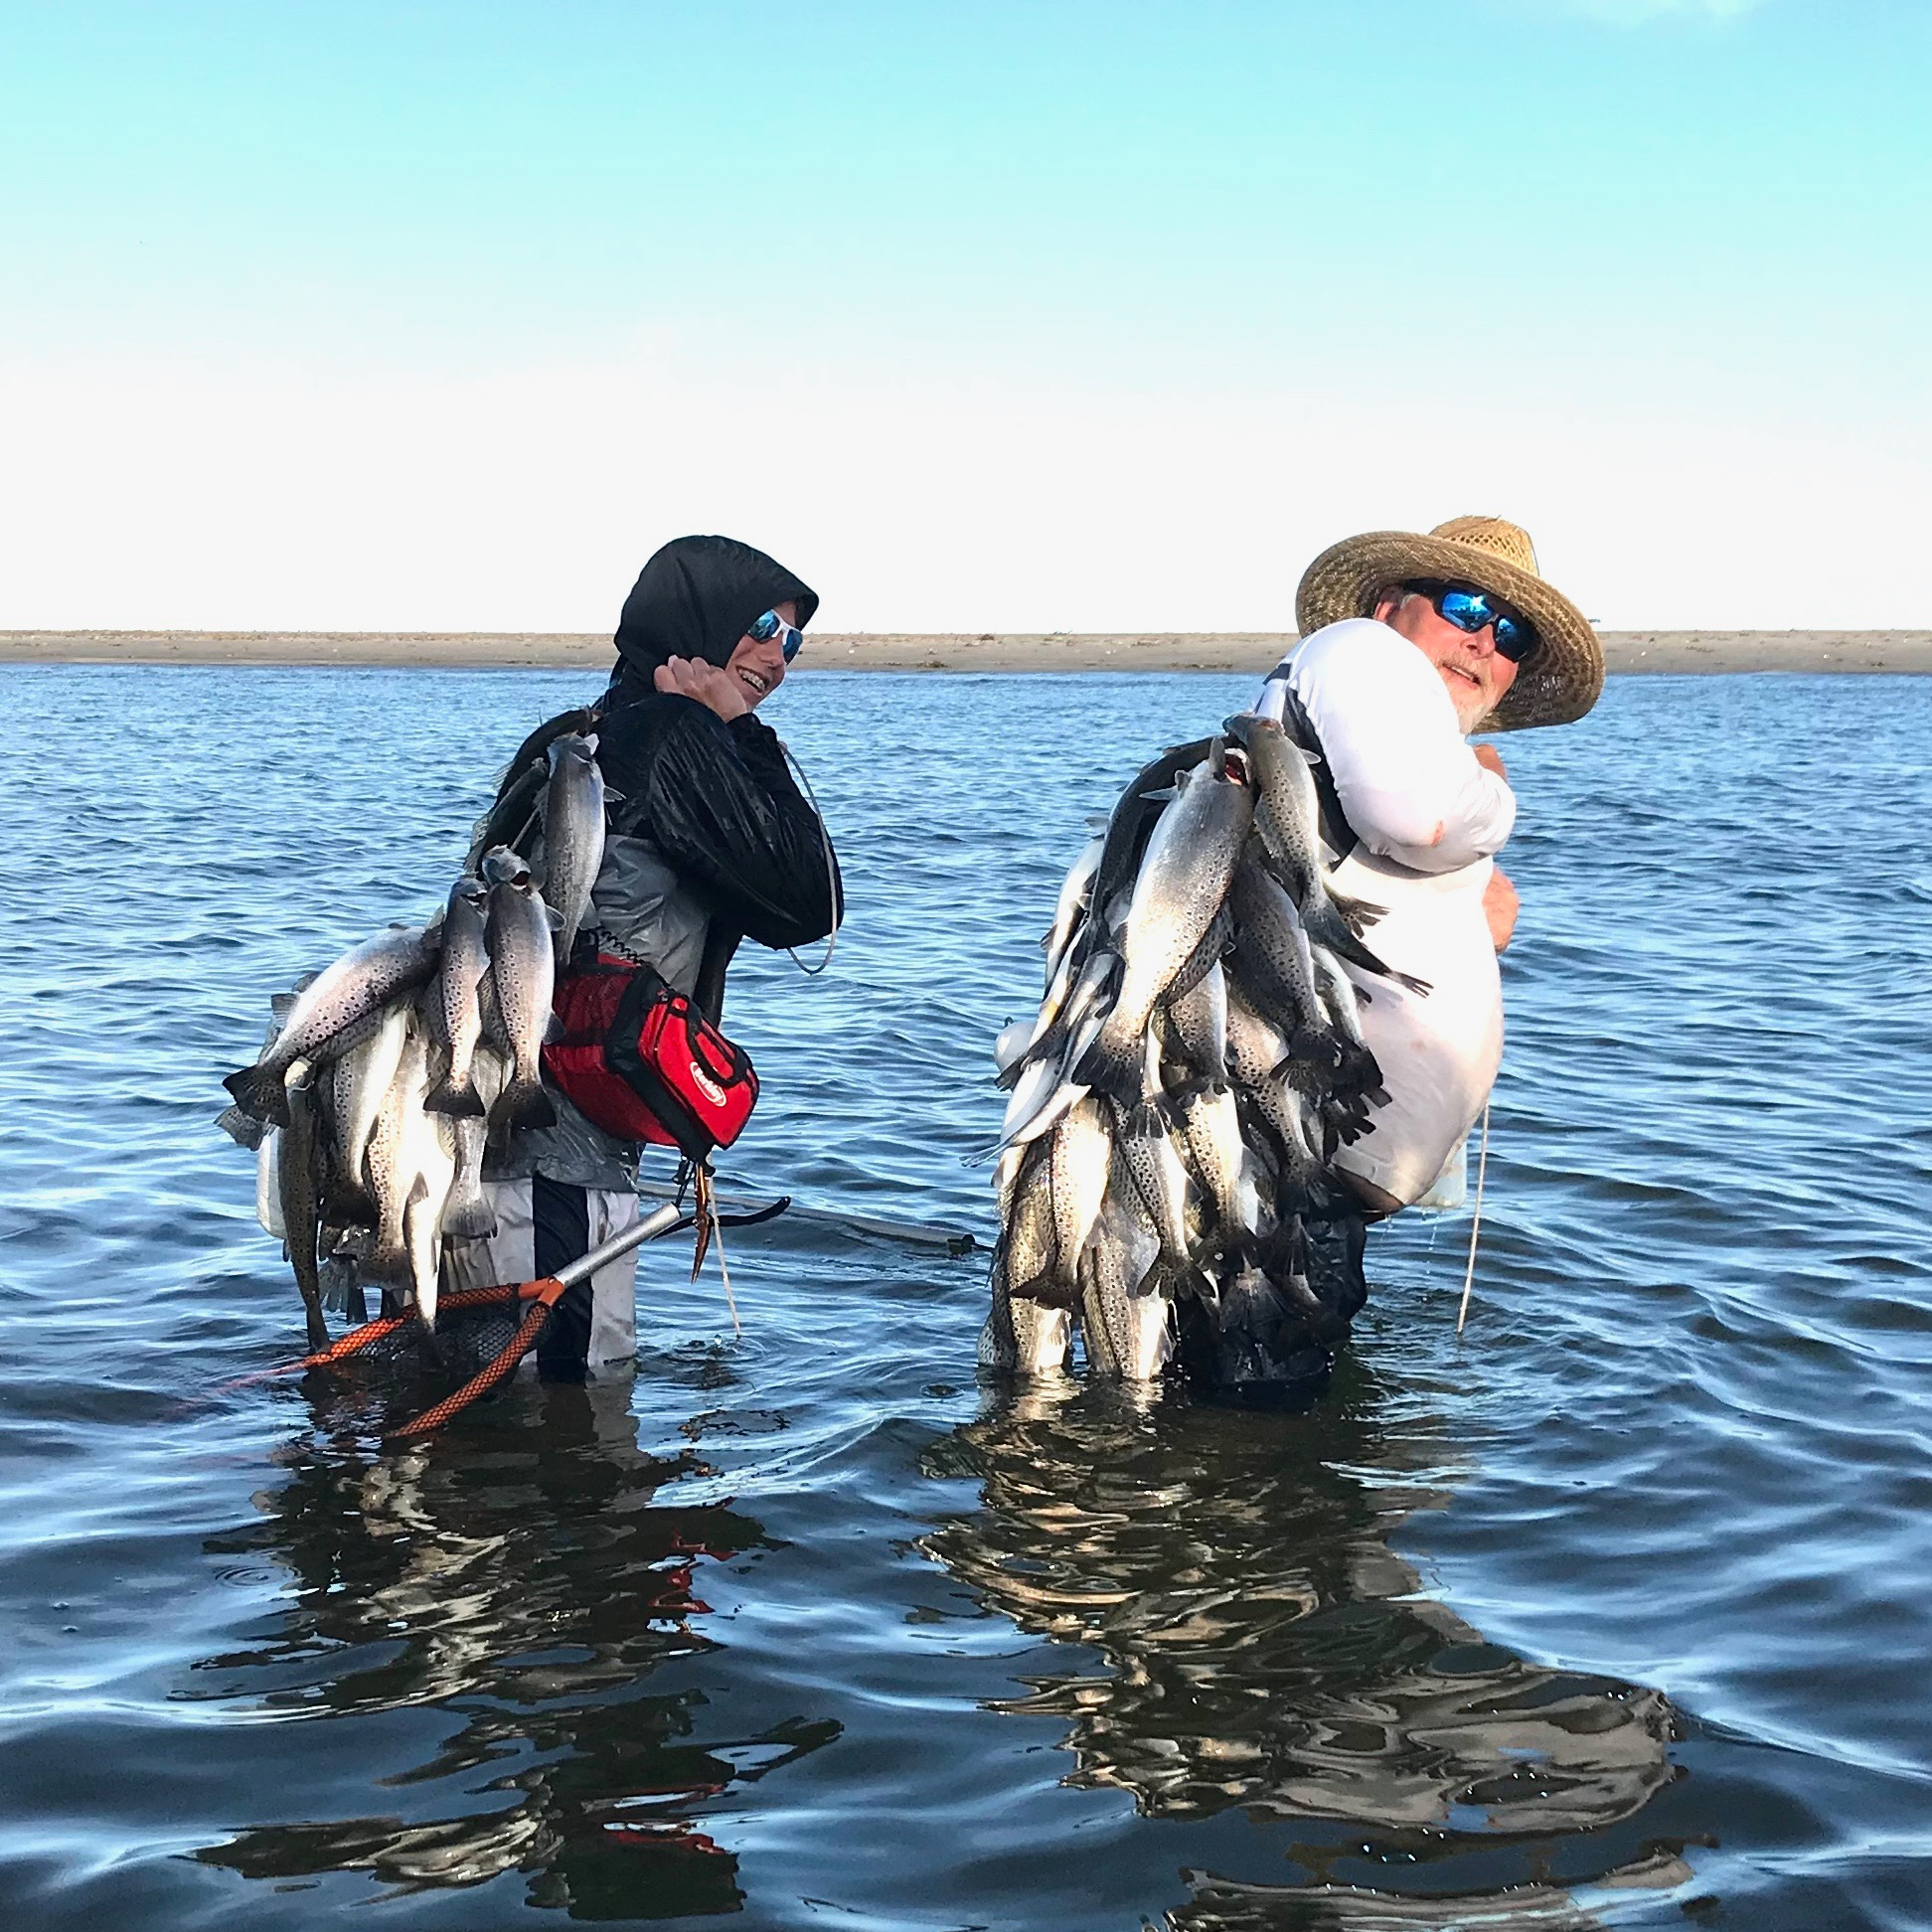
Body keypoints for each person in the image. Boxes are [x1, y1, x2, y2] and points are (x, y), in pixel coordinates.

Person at [443, 535, 842, 1377]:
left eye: (794, 641)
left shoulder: (580, 734)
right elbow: (812, 902)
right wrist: (742, 732)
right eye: (764, 625)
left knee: (487, 1393)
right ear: (692, 620)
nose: (778, 656)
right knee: (574, 1410)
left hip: (488, 1136)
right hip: (558, 1149)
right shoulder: (672, 737)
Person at [1252, 514, 1603, 1218]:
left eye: (1513, 636)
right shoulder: (1359, 647)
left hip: (1313, 1191)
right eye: (1465, 606)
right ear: (1390, 607)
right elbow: (1414, 816)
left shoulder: (1406, 737)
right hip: (1266, 1169)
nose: (1483, 638)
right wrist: (1497, 802)